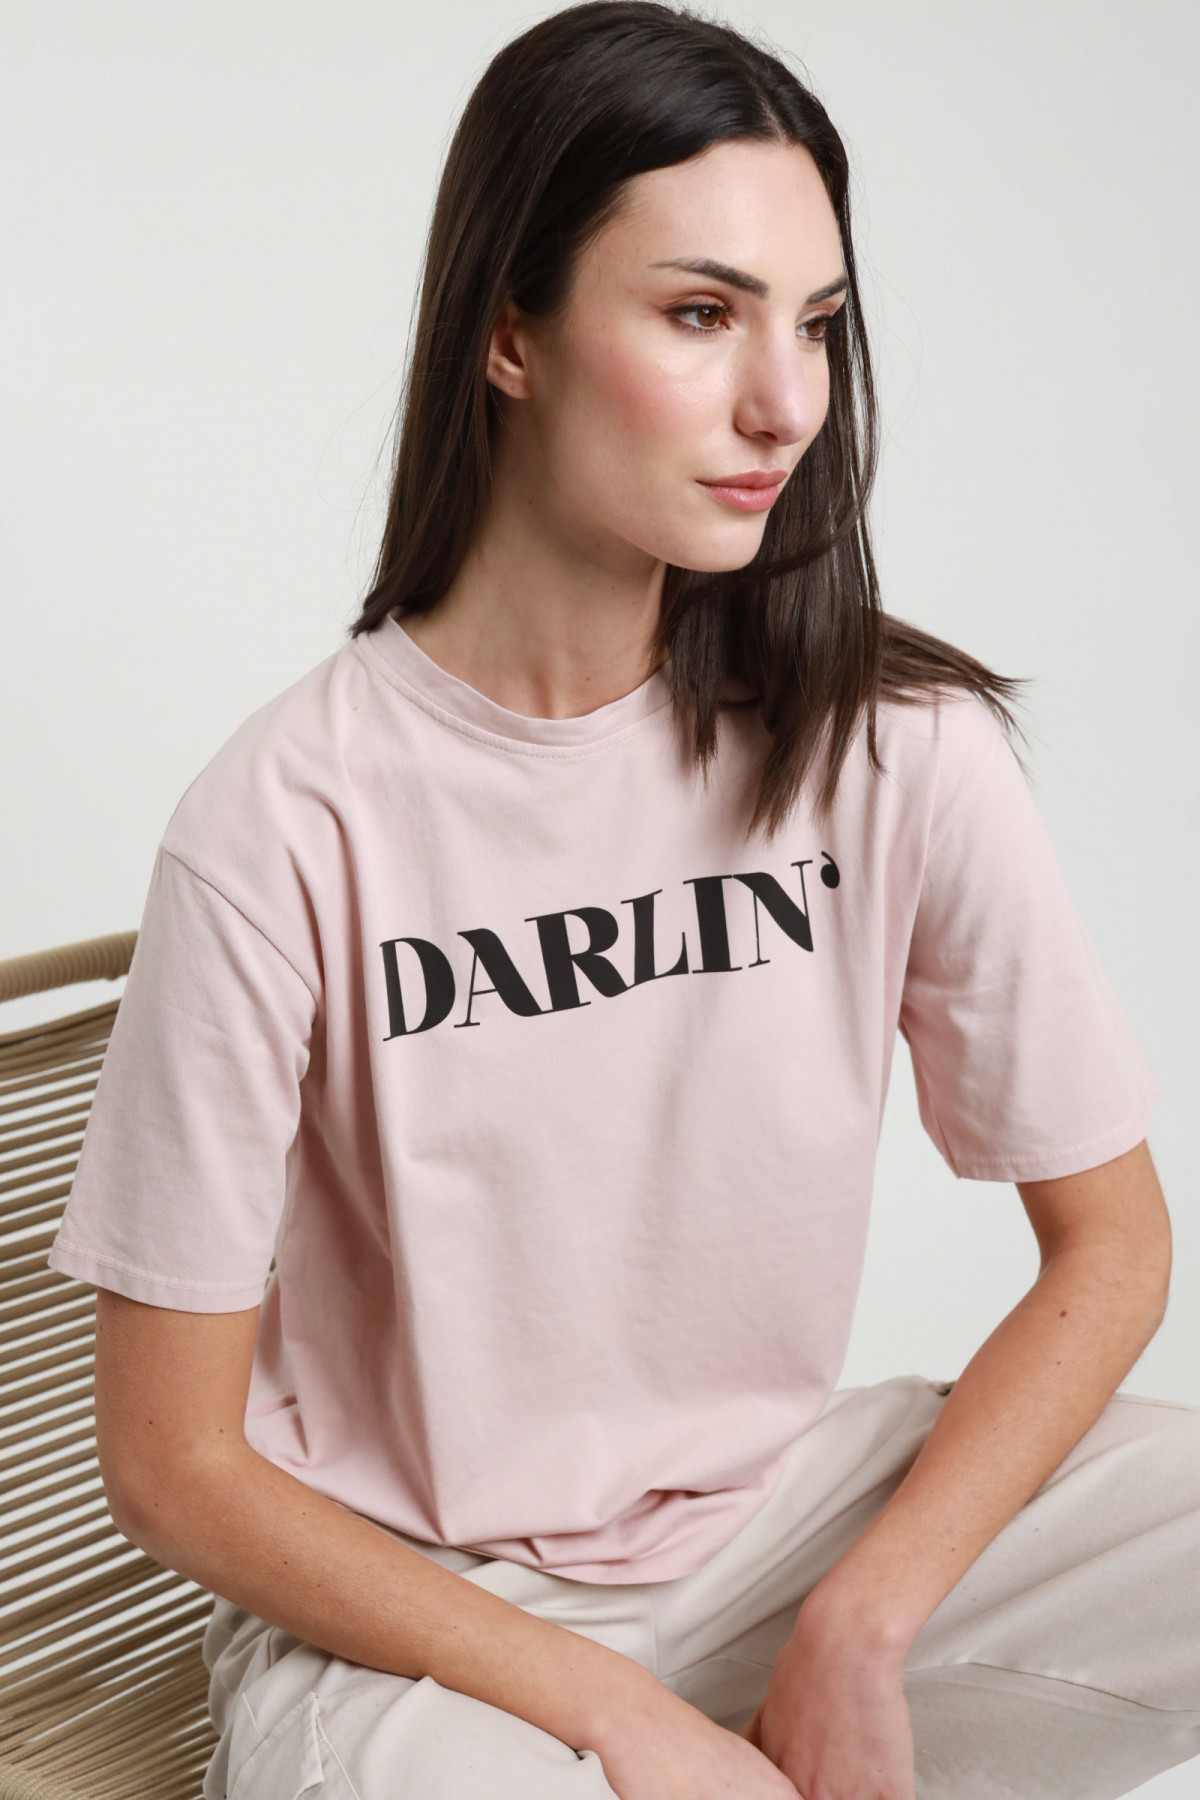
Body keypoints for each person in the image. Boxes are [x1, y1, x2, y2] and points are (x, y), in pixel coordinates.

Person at [51, 4, 1199, 1796]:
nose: (786, 404)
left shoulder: (896, 749)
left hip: (782, 1525)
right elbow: (170, 1463)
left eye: (815, 323)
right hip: (414, 1621)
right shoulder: (284, 822)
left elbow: (1113, 1246)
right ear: (510, 333)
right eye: (701, 314)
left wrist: (861, 1621)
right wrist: (623, 1719)